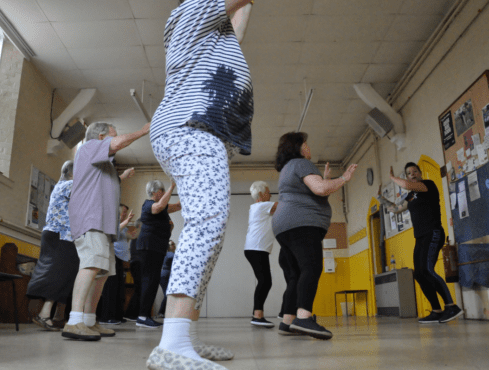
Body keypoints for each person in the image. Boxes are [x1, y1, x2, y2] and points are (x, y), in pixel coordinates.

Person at [146, 0, 254, 368]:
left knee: (212, 227)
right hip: (189, 129)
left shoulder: (214, 32)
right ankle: (173, 343)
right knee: (207, 221)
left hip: (196, 132)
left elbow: (239, 24)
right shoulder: (194, 9)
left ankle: (186, 337)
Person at [63, 121, 150, 341]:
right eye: (113, 135)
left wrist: (121, 178)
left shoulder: (105, 165)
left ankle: (90, 321)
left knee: (102, 274)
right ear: (101, 136)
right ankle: (74, 321)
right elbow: (118, 143)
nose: (116, 137)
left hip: (104, 226)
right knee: (91, 265)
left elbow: (99, 183)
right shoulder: (90, 146)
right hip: (90, 219)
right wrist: (142, 130)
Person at [272, 132, 357, 339]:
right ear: (299, 147)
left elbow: (316, 189)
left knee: (295, 275)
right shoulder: (301, 163)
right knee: (311, 267)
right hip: (302, 223)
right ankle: (304, 318)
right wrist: (343, 178)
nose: (309, 147)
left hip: (284, 226)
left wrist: (327, 180)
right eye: (306, 143)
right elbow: (319, 189)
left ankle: (288, 321)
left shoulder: (286, 168)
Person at [379, 162, 463, 324]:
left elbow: (406, 185)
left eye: (415, 171)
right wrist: (380, 198)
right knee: (419, 273)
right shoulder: (411, 196)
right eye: (409, 173)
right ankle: (437, 310)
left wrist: (392, 178)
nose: (413, 174)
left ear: (419, 173)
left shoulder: (427, 185)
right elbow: (395, 208)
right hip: (420, 237)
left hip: (433, 232)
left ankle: (451, 306)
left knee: (427, 269)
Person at [27, 160, 79, 331]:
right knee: (60, 273)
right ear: (72, 173)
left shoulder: (60, 185)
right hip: (61, 234)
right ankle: (45, 314)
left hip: (56, 233)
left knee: (66, 272)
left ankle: (58, 315)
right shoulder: (70, 185)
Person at [127, 180, 181, 328]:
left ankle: (144, 316)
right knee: (149, 280)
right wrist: (172, 187)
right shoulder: (148, 204)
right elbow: (160, 206)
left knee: (152, 281)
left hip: (156, 249)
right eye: (162, 191)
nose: (163, 193)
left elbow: (177, 206)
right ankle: (143, 317)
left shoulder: (161, 207)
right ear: (155, 192)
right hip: (149, 248)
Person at [97, 204, 138, 324]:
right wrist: (127, 221)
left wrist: (140, 228)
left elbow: (130, 235)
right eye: (124, 212)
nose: (125, 214)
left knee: (119, 288)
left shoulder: (124, 227)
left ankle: (117, 315)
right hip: (112, 257)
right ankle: (106, 317)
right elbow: (114, 231)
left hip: (120, 259)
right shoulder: (111, 223)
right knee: (110, 288)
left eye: (126, 212)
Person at [244, 181, 277, 328]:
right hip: (256, 248)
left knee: (264, 281)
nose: (270, 194)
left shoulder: (258, 207)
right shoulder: (263, 205)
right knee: (265, 281)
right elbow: (283, 205)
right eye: (268, 192)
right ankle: (257, 316)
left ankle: (256, 315)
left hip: (256, 249)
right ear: (262, 194)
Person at [159, 239, 176, 317]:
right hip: (165, 275)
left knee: (168, 294)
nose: (174, 246)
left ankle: (164, 312)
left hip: (165, 275)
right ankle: (161, 312)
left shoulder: (165, 253)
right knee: (167, 295)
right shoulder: (169, 254)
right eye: (172, 245)